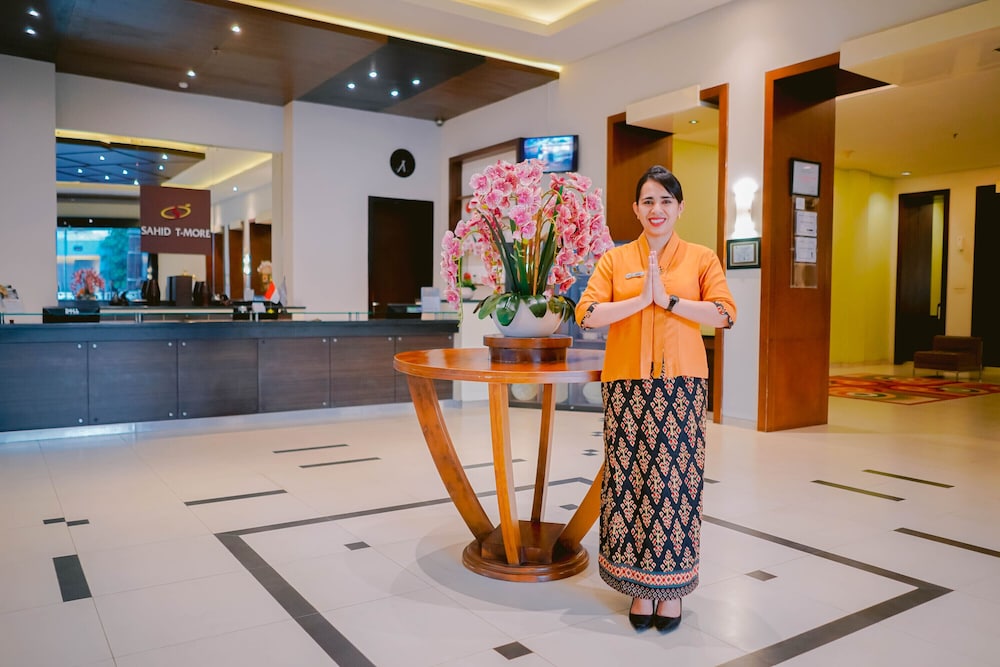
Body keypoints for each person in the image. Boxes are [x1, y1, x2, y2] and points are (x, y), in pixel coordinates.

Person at [575, 165, 736, 632]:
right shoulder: (615, 259)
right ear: (635, 208)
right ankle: (638, 588)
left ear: (680, 208)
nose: (656, 209)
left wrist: (669, 301)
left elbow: (725, 313)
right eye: (648, 201)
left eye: (666, 200)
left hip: (681, 387)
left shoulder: (702, 258)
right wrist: (640, 299)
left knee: (675, 487)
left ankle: (672, 591)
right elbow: (587, 313)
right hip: (625, 386)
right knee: (629, 484)